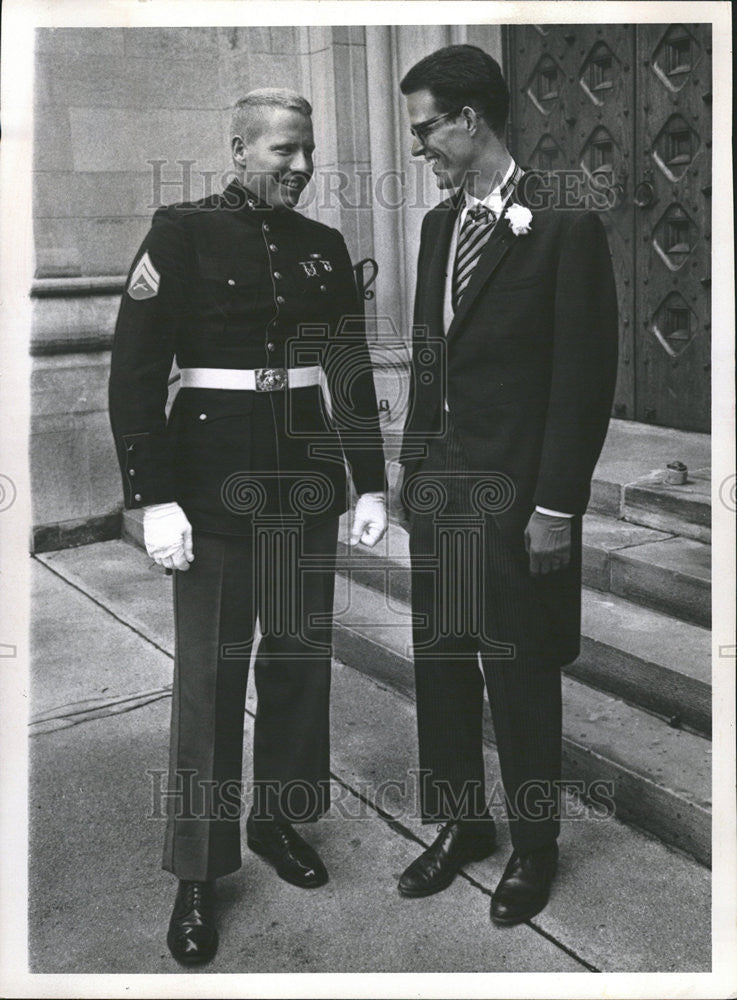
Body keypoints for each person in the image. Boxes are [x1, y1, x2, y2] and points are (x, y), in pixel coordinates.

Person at [108, 89, 387, 965]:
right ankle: (198, 870)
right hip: (212, 486)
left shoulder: (324, 248)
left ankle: (276, 818)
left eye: (305, 152)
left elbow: (345, 372)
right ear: (237, 150)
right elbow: (134, 372)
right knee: (209, 680)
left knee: (299, 661)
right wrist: (152, 496)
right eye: (281, 152)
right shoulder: (181, 232)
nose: (299, 167)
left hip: (304, 485)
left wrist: (371, 483)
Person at [395, 45, 618, 925]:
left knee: (519, 672)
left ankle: (533, 847)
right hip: (441, 498)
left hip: (522, 502)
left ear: (468, 119)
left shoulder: (562, 220)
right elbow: (425, 360)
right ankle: (463, 823)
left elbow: (582, 379)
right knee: (444, 665)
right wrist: (413, 471)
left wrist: (557, 505)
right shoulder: (433, 229)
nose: (421, 151)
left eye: (426, 131)